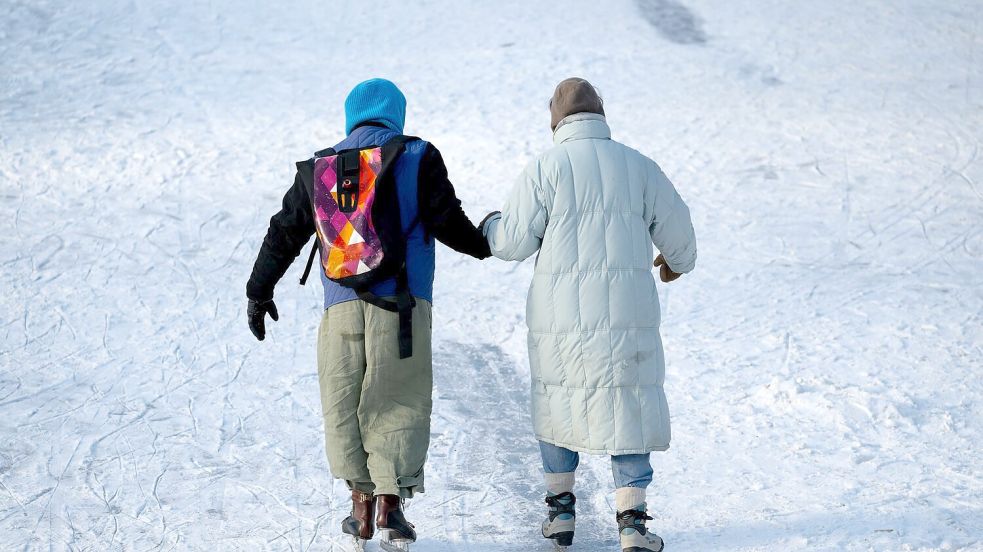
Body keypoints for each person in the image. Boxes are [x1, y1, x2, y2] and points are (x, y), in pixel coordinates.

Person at [246, 78, 490, 549]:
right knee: (398, 397)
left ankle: (358, 507)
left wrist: (258, 292)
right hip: (404, 304)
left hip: (340, 308)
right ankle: (391, 506)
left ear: (351, 115)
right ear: (396, 113)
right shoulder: (417, 156)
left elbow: (283, 232)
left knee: (345, 400)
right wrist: (486, 244)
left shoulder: (321, 168)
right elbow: (449, 221)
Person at [481, 78, 697, 552]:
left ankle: (560, 515)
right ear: (601, 115)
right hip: (626, 311)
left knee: (559, 398)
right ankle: (633, 525)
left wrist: (491, 224)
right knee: (629, 402)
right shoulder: (639, 166)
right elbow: (680, 232)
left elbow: (511, 243)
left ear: (556, 122)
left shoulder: (544, 169)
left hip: (558, 316)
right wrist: (676, 262)